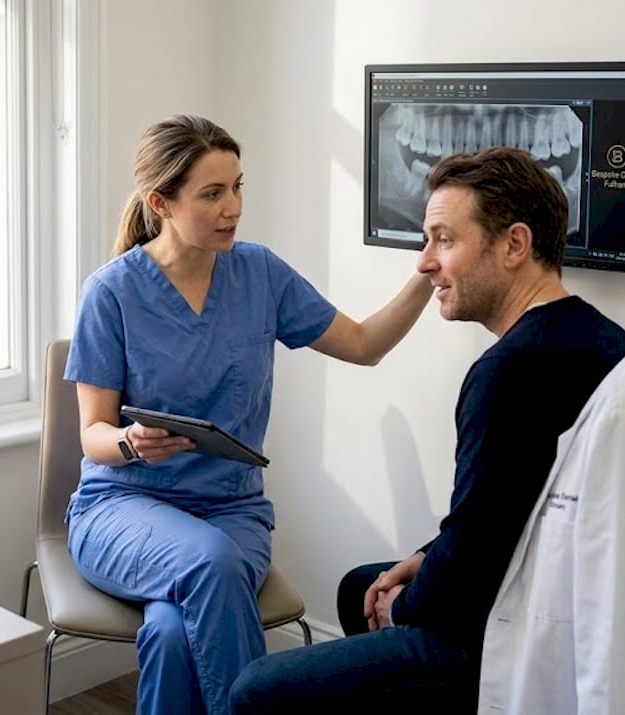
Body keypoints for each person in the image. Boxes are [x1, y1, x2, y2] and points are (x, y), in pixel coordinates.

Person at [228, 146, 625, 713]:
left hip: (502, 633)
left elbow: (465, 580)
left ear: (514, 244)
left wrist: (403, 605)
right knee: (357, 586)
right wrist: (424, 557)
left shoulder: (507, 375)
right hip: (551, 588)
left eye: (444, 239)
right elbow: (503, 516)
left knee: (253, 691)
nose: (425, 263)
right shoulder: (603, 337)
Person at [64, 114, 433, 715]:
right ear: (161, 202)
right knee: (205, 562)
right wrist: (132, 442)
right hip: (122, 510)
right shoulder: (110, 293)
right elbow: (93, 436)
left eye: (237, 187)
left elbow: (364, 345)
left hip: (230, 510)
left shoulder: (260, 273)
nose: (232, 206)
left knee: (168, 632)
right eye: (212, 193)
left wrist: (425, 270)